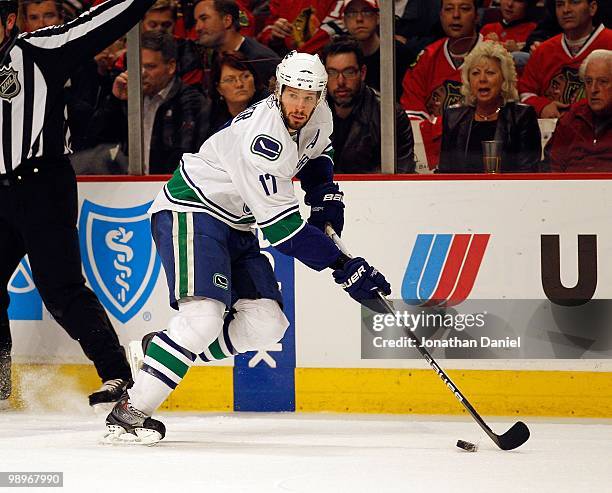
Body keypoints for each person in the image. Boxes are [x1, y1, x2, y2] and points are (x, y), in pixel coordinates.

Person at [102, 51, 392, 444]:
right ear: (278, 88)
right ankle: (129, 413)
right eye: (293, 94)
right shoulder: (263, 136)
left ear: (320, 94)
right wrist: (345, 267)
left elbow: (316, 156)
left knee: (267, 325)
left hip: (236, 221)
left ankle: (163, 352)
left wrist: (325, 196)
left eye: (310, 96)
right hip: (192, 210)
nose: (301, 105)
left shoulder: (318, 114)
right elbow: (285, 230)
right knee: (203, 319)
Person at [0, 0, 159, 408]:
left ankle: (118, 376)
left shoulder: (38, 51)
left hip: (42, 185)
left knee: (62, 289)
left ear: (9, 22)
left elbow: (100, 23)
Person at [84, 31, 210, 174]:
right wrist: (114, 100)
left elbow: (190, 156)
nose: (141, 73)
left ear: (171, 67)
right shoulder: (126, 96)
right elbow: (94, 144)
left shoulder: (193, 103)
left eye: (150, 66)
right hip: (127, 188)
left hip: (167, 188)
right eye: (136, 65)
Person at [438, 41, 541, 173]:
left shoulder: (521, 117)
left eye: (490, 73)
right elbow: (445, 171)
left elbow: (528, 171)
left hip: (508, 191)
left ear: (504, 79)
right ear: (468, 80)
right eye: (475, 73)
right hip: (463, 192)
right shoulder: (453, 118)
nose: (482, 79)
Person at [322, 37, 415, 173]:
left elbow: (402, 174)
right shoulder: (311, 111)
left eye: (349, 72)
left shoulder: (389, 115)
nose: (340, 81)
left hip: (373, 192)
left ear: (363, 73)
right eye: (332, 72)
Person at [518, 0, 612, 118]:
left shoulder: (610, 42)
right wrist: (542, 107)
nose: (566, 10)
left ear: (592, 8)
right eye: (560, 4)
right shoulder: (543, 50)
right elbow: (525, 92)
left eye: (574, 2)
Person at [400, 0, 482, 121]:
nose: (456, 15)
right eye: (449, 9)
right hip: (429, 139)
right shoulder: (426, 58)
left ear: (476, 16)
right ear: (441, 15)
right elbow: (413, 116)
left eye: (464, 9)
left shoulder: (495, 58)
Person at [545, 49, 612, 171]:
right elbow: (551, 167)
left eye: (603, 82)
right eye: (588, 81)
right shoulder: (572, 118)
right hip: (569, 188)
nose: (593, 89)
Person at [194, 0, 280, 90]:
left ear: (227, 21)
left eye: (204, 19)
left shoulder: (261, 61)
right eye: (196, 21)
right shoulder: (217, 57)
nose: (197, 28)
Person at [342, 0, 414, 100]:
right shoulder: (340, 58)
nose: (359, 19)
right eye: (352, 13)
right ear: (344, 21)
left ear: (378, 17)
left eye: (366, 12)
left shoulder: (398, 54)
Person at [207, 50, 269, 137]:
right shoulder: (211, 118)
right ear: (218, 88)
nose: (239, 84)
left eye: (245, 76)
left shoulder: (270, 109)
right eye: (230, 80)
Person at [257, 0, 345, 56]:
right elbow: (266, 30)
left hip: (328, 58)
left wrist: (297, 59)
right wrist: (274, 33)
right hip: (287, 58)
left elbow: (335, 28)